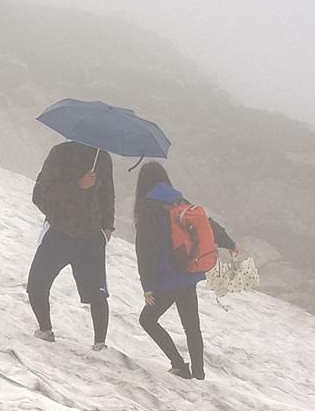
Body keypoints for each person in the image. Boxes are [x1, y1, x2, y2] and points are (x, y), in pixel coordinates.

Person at [133, 162, 237, 380]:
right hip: (189, 273)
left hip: (168, 278)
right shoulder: (179, 201)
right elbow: (207, 226)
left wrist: (148, 286)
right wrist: (230, 243)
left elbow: (145, 250)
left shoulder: (148, 207)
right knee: (192, 326)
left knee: (147, 320)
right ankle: (199, 374)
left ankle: (179, 365)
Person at [28, 140, 114, 349]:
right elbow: (41, 193)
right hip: (59, 231)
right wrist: (77, 185)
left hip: (91, 237)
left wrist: (108, 226)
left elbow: (107, 194)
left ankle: (100, 345)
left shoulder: (102, 156)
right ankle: (46, 330)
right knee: (37, 285)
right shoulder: (61, 152)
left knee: (97, 295)